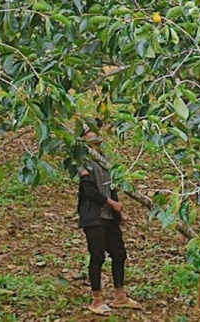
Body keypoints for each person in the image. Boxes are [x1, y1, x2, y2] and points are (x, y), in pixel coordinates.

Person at [78, 133, 141, 314]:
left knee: (119, 253)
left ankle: (119, 296)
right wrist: (111, 203)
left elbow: (111, 186)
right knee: (97, 256)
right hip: (93, 217)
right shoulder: (83, 161)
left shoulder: (104, 159)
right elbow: (89, 190)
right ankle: (96, 300)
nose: (96, 133)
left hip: (108, 217)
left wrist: (117, 212)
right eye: (91, 131)